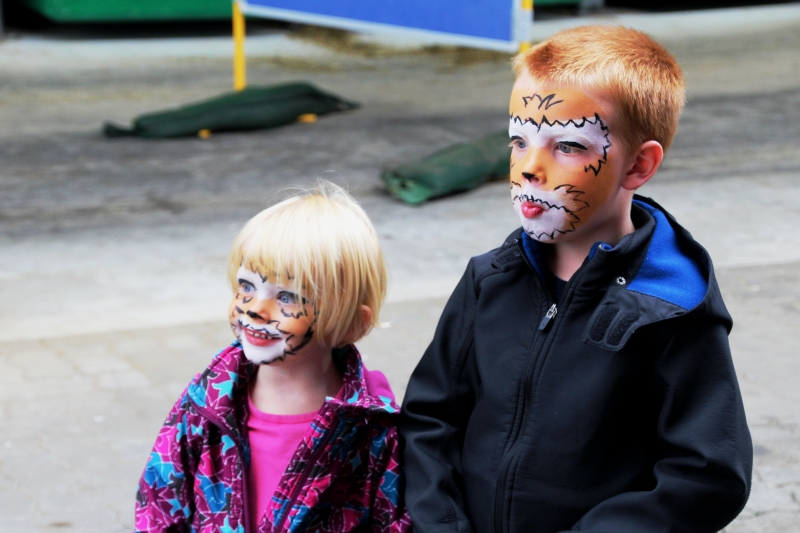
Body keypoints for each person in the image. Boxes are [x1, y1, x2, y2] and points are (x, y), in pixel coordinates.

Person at [399, 26, 752, 533]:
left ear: (638, 165)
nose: (529, 168)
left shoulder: (670, 306)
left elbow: (707, 475)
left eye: (566, 145)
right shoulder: (488, 279)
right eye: (519, 141)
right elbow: (430, 420)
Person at [134, 181, 411, 533]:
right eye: (247, 286)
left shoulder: (372, 429)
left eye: (286, 297)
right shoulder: (205, 404)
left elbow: (393, 522)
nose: (255, 309)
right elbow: (158, 506)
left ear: (352, 324)